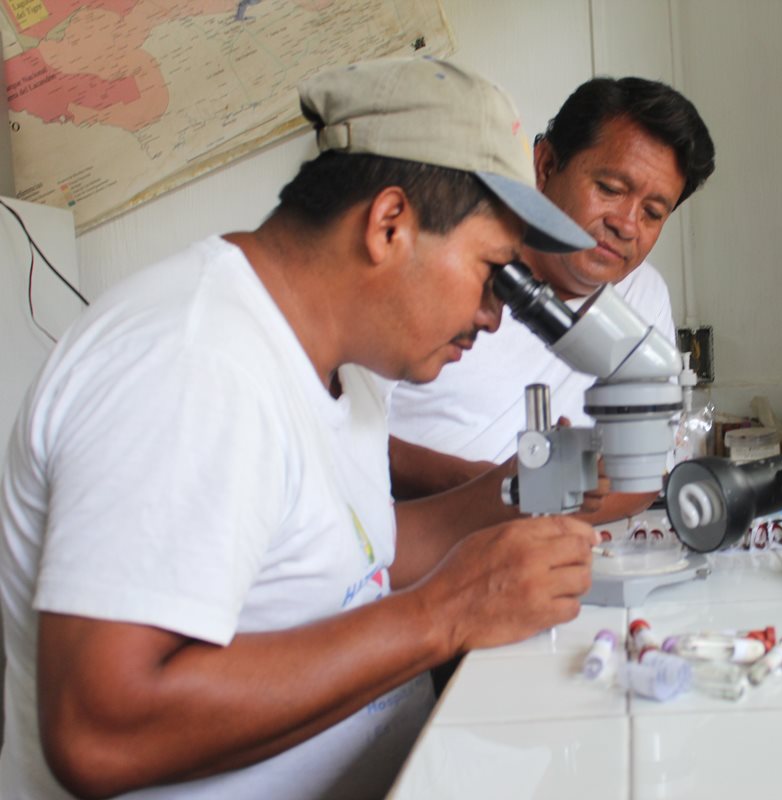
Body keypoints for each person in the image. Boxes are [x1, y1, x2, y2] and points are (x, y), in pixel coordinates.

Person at [0, 56, 600, 800]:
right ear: (389, 225)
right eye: (492, 271)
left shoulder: (343, 370)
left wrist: (510, 494)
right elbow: (99, 731)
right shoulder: (190, 363)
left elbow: (353, 555)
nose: (493, 314)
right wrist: (446, 614)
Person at [386, 76, 716, 522]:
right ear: (545, 165)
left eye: (653, 213)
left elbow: (644, 472)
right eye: (611, 190)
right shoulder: (438, 263)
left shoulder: (643, 294)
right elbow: (338, 436)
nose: (627, 225)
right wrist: (491, 490)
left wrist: (549, 517)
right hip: (409, 539)